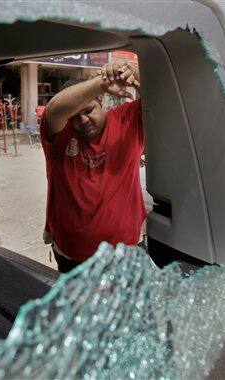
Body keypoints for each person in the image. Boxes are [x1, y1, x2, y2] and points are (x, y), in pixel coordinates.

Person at [40, 60, 145, 273]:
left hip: (125, 256)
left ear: (101, 102)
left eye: (89, 110)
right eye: (75, 116)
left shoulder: (128, 120)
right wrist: (102, 82)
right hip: (72, 260)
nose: (83, 120)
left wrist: (134, 75)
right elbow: (54, 110)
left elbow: (163, 100)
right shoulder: (60, 136)